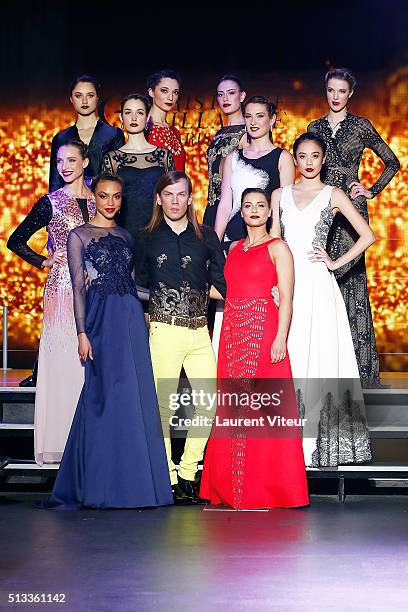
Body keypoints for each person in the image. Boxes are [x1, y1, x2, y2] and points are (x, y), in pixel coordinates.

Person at [44, 173, 173, 508]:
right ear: (95, 199)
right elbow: (78, 288)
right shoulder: (79, 236)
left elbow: (131, 285)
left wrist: (167, 293)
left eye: (116, 196)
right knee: (100, 396)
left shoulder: (126, 236)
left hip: (129, 319)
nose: (111, 202)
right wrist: (82, 332)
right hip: (100, 321)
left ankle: (134, 485)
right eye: (104, 196)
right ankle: (99, 484)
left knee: (132, 397)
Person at [200, 188, 309, 509]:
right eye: (248, 206)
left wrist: (280, 337)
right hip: (233, 335)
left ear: (268, 212)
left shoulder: (279, 248)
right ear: (242, 213)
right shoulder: (233, 248)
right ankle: (232, 488)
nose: (255, 210)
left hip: (264, 335)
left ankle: (270, 488)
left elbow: (287, 297)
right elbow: (229, 292)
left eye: (261, 205)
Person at [271, 133, 375, 467]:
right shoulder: (279, 194)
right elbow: (272, 241)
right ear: (295, 159)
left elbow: (368, 235)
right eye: (302, 156)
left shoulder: (333, 194)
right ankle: (286, 448)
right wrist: (270, 282)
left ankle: (316, 448)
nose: (309, 162)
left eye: (315, 156)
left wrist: (334, 262)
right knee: (292, 358)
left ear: (323, 158)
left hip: (317, 283)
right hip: (287, 285)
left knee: (319, 359)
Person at [135, 171, 226, 503]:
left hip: (200, 331)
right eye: (168, 194)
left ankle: (188, 471)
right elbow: (139, 284)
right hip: (164, 331)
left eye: (181, 194)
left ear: (190, 198)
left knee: (207, 403)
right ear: (159, 198)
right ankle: (169, 476)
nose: (175, 200)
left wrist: (262, 293)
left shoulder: (206, 238)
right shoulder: (146, 237)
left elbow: (222, 281)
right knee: (162, 407)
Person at [307, 67, 400, 388]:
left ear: (350, 94)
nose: (335, 96)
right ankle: (323, 365)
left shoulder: (361, 125)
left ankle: (361, 373)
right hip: (321, 210)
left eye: (341, 91)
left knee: (352, 285)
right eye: (331, 90)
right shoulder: (314, 127)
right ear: (326, 91)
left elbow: (393, 162)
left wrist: (372, 189)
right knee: (320, 281)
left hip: (350, 212)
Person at [8, 140, 96, 465]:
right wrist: (45, 261)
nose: (65, 167)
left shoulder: (101, 200)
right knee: (65, 367)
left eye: (72, 160)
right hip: (61, 294)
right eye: (60, 161)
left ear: (85, 162)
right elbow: (15, 239)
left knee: (90, 370)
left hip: (95, 291)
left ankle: (89, 447)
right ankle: (60, 446)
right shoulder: (51, 202)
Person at [214, 95, 295, 248]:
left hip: (265, 241)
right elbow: (225, 205)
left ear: (272, 120)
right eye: (248, 116)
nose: (253, 122)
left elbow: (285, 208)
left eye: (260, 116)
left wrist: (275, 245)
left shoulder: (282, 158)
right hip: (232, 240)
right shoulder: (233, 157)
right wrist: (215, 245)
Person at [102, 94, 174, 242]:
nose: (134, 118)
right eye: (128, 113)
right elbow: (104, 203)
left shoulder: (163, 156)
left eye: (139, 113)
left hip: (159, 233)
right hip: (124, 233)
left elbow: (173, 196)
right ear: (121, 118)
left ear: (148, 118)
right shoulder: (112, 159)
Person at [49, 74, 125, 192]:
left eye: (90, 95)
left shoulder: (113, 134)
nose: (84, 101)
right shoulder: (61, 138)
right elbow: (55, 183)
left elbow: (121, 178)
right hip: (70, 206)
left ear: (97, 98)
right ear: (71, 99)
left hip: (105, 204)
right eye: (78, 96)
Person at [203, 74, 247, 229]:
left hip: (234, 208)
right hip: (212, 206)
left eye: (231, 93)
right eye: (221, 94)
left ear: (242, 96)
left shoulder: (249, 133)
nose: (225, 99)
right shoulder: (219, 133)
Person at [145, 69, 186, 171]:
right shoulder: (143, 127)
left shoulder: (175, 132)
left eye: (175, 92)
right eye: (164, 91)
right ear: (151, 92)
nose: (170, 97)